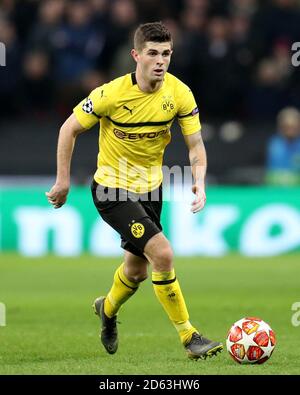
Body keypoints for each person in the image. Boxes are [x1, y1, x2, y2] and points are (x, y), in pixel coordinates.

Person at [46, 22, 223, 360]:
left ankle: (107, 310)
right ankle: (190, 337)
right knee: (164, 254)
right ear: (136, 55)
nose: (160, 61)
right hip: (112, 189)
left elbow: (196, 145)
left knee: (136, 270)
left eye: (166, 54)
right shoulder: (110, 94)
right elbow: (68, 130)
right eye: (153, 53)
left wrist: (199, 179)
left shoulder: (179, 93)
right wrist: (63, 180)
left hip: (152, 189)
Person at [266, 107, 300, 186]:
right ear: (280, 127)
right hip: (277, 191)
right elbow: (271, 175)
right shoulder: (273, 144)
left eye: (293, 127)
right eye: (286, 127)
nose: (290, 130)